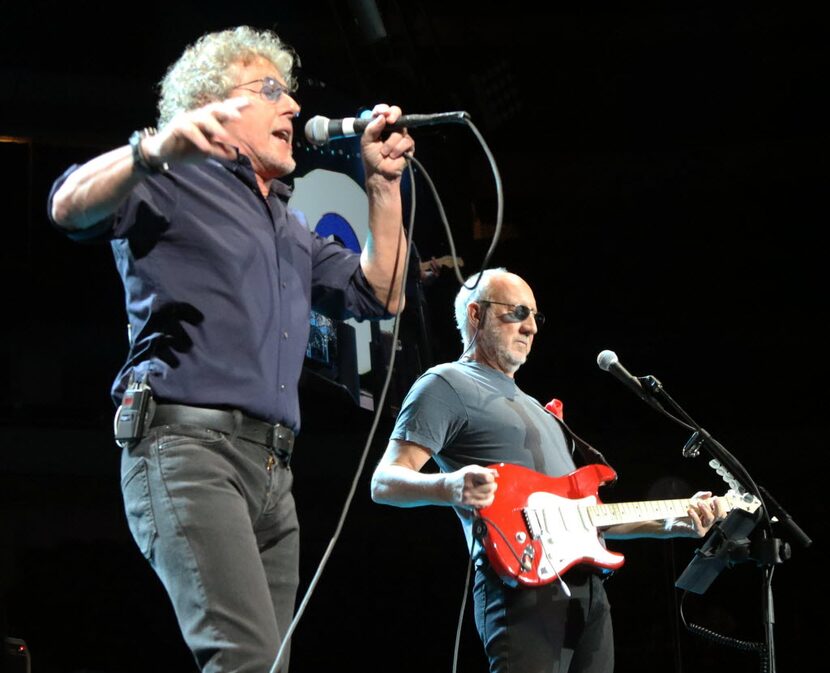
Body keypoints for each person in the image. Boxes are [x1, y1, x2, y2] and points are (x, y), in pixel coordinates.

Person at [47, 25, 413, 673]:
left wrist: (383, 186)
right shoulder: (175, 178)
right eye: (270, 90)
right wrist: (155, 148)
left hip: (274, 474)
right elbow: (67, 206)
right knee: (243, 664)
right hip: (189, 452)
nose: (293, 108)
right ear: (215, 105)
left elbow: (378, 294)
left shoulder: (287, 226)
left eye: (290, 93)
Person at [370, 268, 727, 673]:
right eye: (517, 312)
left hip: (588, 593)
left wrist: (669, 523)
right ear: (475, 314)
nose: (530, 327)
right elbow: (384, 482)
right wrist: (449, 485)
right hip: (520, 586)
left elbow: (587, 520)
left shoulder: (542, 412)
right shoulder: (445, 383)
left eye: (536, 317)